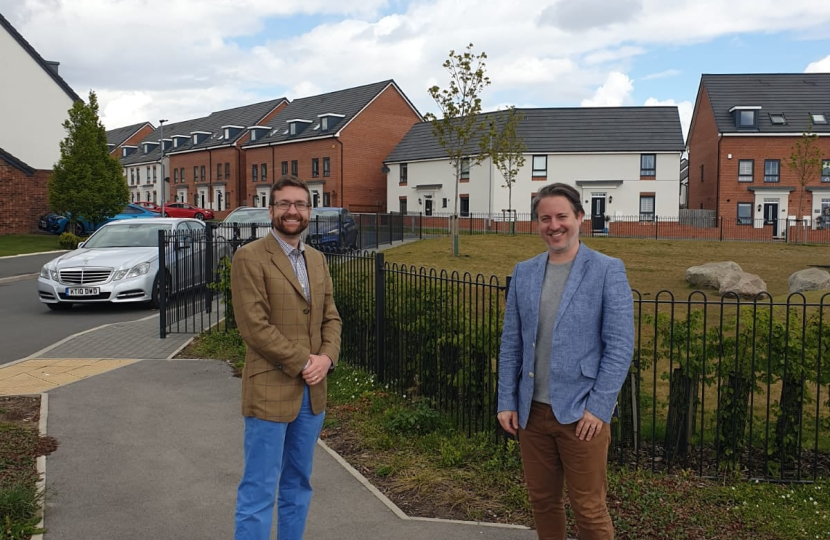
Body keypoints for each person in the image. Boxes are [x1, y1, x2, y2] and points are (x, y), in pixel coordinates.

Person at [497, 183, 634, 540]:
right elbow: (511, 342)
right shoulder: (525, 272)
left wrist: (599, 408)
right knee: (543, 501)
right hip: (532, 413)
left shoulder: (607, 270)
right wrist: (507, 401)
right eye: (545, 218)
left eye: (561, 216)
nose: (553, 225)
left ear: (579, 218)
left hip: (581, 414)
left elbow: (619, 346)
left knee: (589, 508)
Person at [230, 175, 342, 540]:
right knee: (259, 491)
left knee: (298, 485)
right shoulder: (249, 258)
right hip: (269, 392)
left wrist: (326, 359)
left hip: (312, 395)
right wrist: (305, 362)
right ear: (271, 210)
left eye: (300, 204)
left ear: (309, 211)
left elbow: (330, 317)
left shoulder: (318, 259)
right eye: (284, 204)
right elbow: (254, 327)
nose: (292, 211)